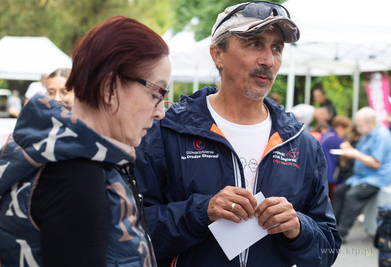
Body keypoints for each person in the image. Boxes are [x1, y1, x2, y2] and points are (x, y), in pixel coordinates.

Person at [135, 2, 341, 267]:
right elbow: (131, 233)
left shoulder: (302, 144)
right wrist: (200, 212)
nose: (268, 60)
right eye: (254, 44)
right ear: (217, 54)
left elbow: (328, 250)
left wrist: (299, 228)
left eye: (276, 48)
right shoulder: (165, 130)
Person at [0, 16, 170, 266]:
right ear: (109, 88)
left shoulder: (65, 153)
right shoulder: (76, 173)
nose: (161, 111)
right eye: (156, 93)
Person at [333, 107, 391, 240]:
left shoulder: (381, 136)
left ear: (370, 122)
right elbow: (361, 153)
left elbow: (376, 163)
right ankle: (332, 227)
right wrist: (349, 149)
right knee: (339, 192)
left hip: (376, 178)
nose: (358, 128)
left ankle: (342, 232)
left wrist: (354, 153)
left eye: (360, 124)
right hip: (360, 177)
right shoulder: (367, 134)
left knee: (352, 196)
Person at [320, 115, 351, 202]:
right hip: (329, 173)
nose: (345, 133)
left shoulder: (327, 134)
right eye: (345, 130)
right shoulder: (336, 139)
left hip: (322, 171)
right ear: (341, 127)